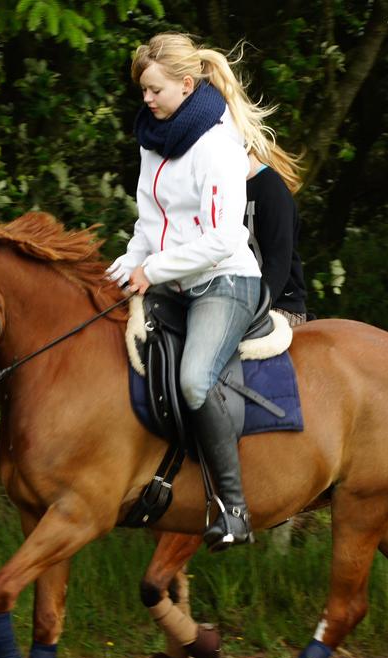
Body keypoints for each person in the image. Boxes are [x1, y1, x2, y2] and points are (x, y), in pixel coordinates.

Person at [107, 33, 294, 552]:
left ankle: (233, 509)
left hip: (225, 281)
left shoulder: (218, 145)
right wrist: (127, 264)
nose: (145, 99)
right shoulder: (155, 139)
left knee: (193, 380)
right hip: (175, 279)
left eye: (154, 90)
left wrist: (156, 267)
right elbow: (149, 222)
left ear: (187, 86)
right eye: (142, 90)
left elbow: (223, 238)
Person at [244, 151, 308, 326]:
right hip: (237, 301)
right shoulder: (224, 188)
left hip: (279, 306)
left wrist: (251, 309)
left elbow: (278, 263)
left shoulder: (271, 187)